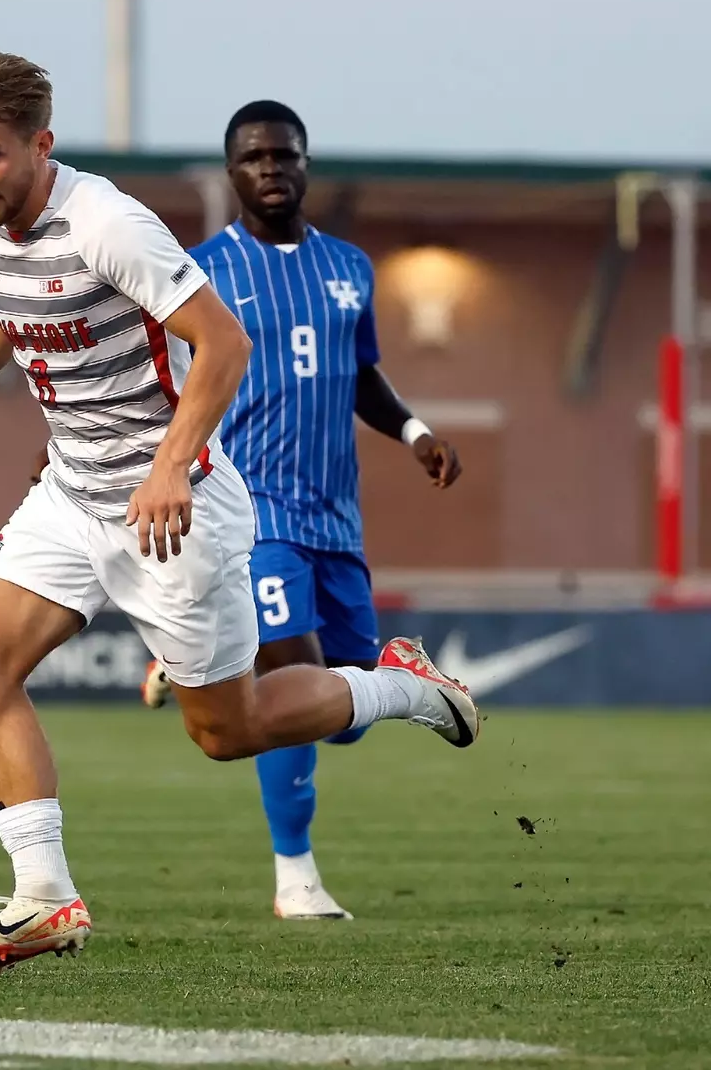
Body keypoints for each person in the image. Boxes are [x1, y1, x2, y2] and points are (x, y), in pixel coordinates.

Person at [0, 52, 479, 972]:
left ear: (42, 145)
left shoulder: (110, 223)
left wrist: (169, 467)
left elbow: (225, 344)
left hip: (178, 507)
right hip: (71, 496)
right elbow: (0, 306)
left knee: (226, 732)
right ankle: (44, 898)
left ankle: (403, 687)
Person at [133, 101, 466, 920]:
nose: (270, 169)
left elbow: (361, 374)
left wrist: (415, 431)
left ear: (307, 163)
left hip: (335, 521)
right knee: (288, 680)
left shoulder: (351, 267)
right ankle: (296, 878)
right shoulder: (200, 271)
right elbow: (160, 383)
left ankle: (195, 653)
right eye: (253, 158)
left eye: (284, 155)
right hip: (253, 516)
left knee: (343, 715)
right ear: (231, 172)